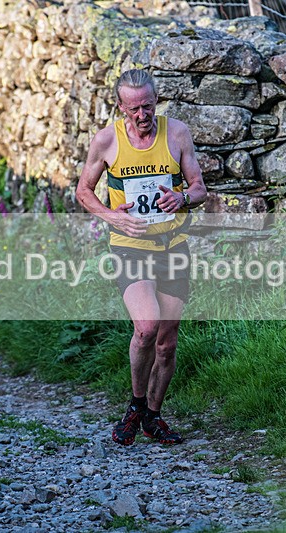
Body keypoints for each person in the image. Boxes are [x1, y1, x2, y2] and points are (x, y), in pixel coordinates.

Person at [76, 69, 207, 445]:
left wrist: (182, 198)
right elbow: (84, 192)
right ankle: (135, 405)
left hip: (172, 247)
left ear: (156, 101)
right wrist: (113, 216)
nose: (142, 115)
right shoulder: (106, 141)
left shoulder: (177, 133)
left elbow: (199, 188)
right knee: (146, 328)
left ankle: (153, 415)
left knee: (166, 343)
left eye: (148, 106)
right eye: (134, 109)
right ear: (120, 107)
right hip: (131, 247)